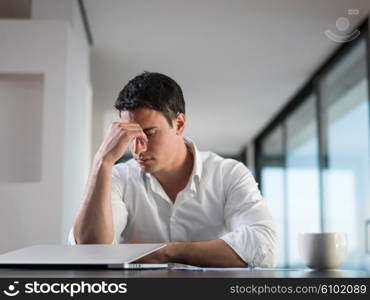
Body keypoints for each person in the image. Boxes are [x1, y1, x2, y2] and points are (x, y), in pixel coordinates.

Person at [69, 71, 277, 267]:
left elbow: (264, 248)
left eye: (149, 133)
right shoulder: (118, 177)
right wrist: (102, 161)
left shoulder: (229, 174)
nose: (137, 149)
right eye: (130, 136)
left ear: (179, 124)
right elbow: (91, 252)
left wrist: (165, 252)